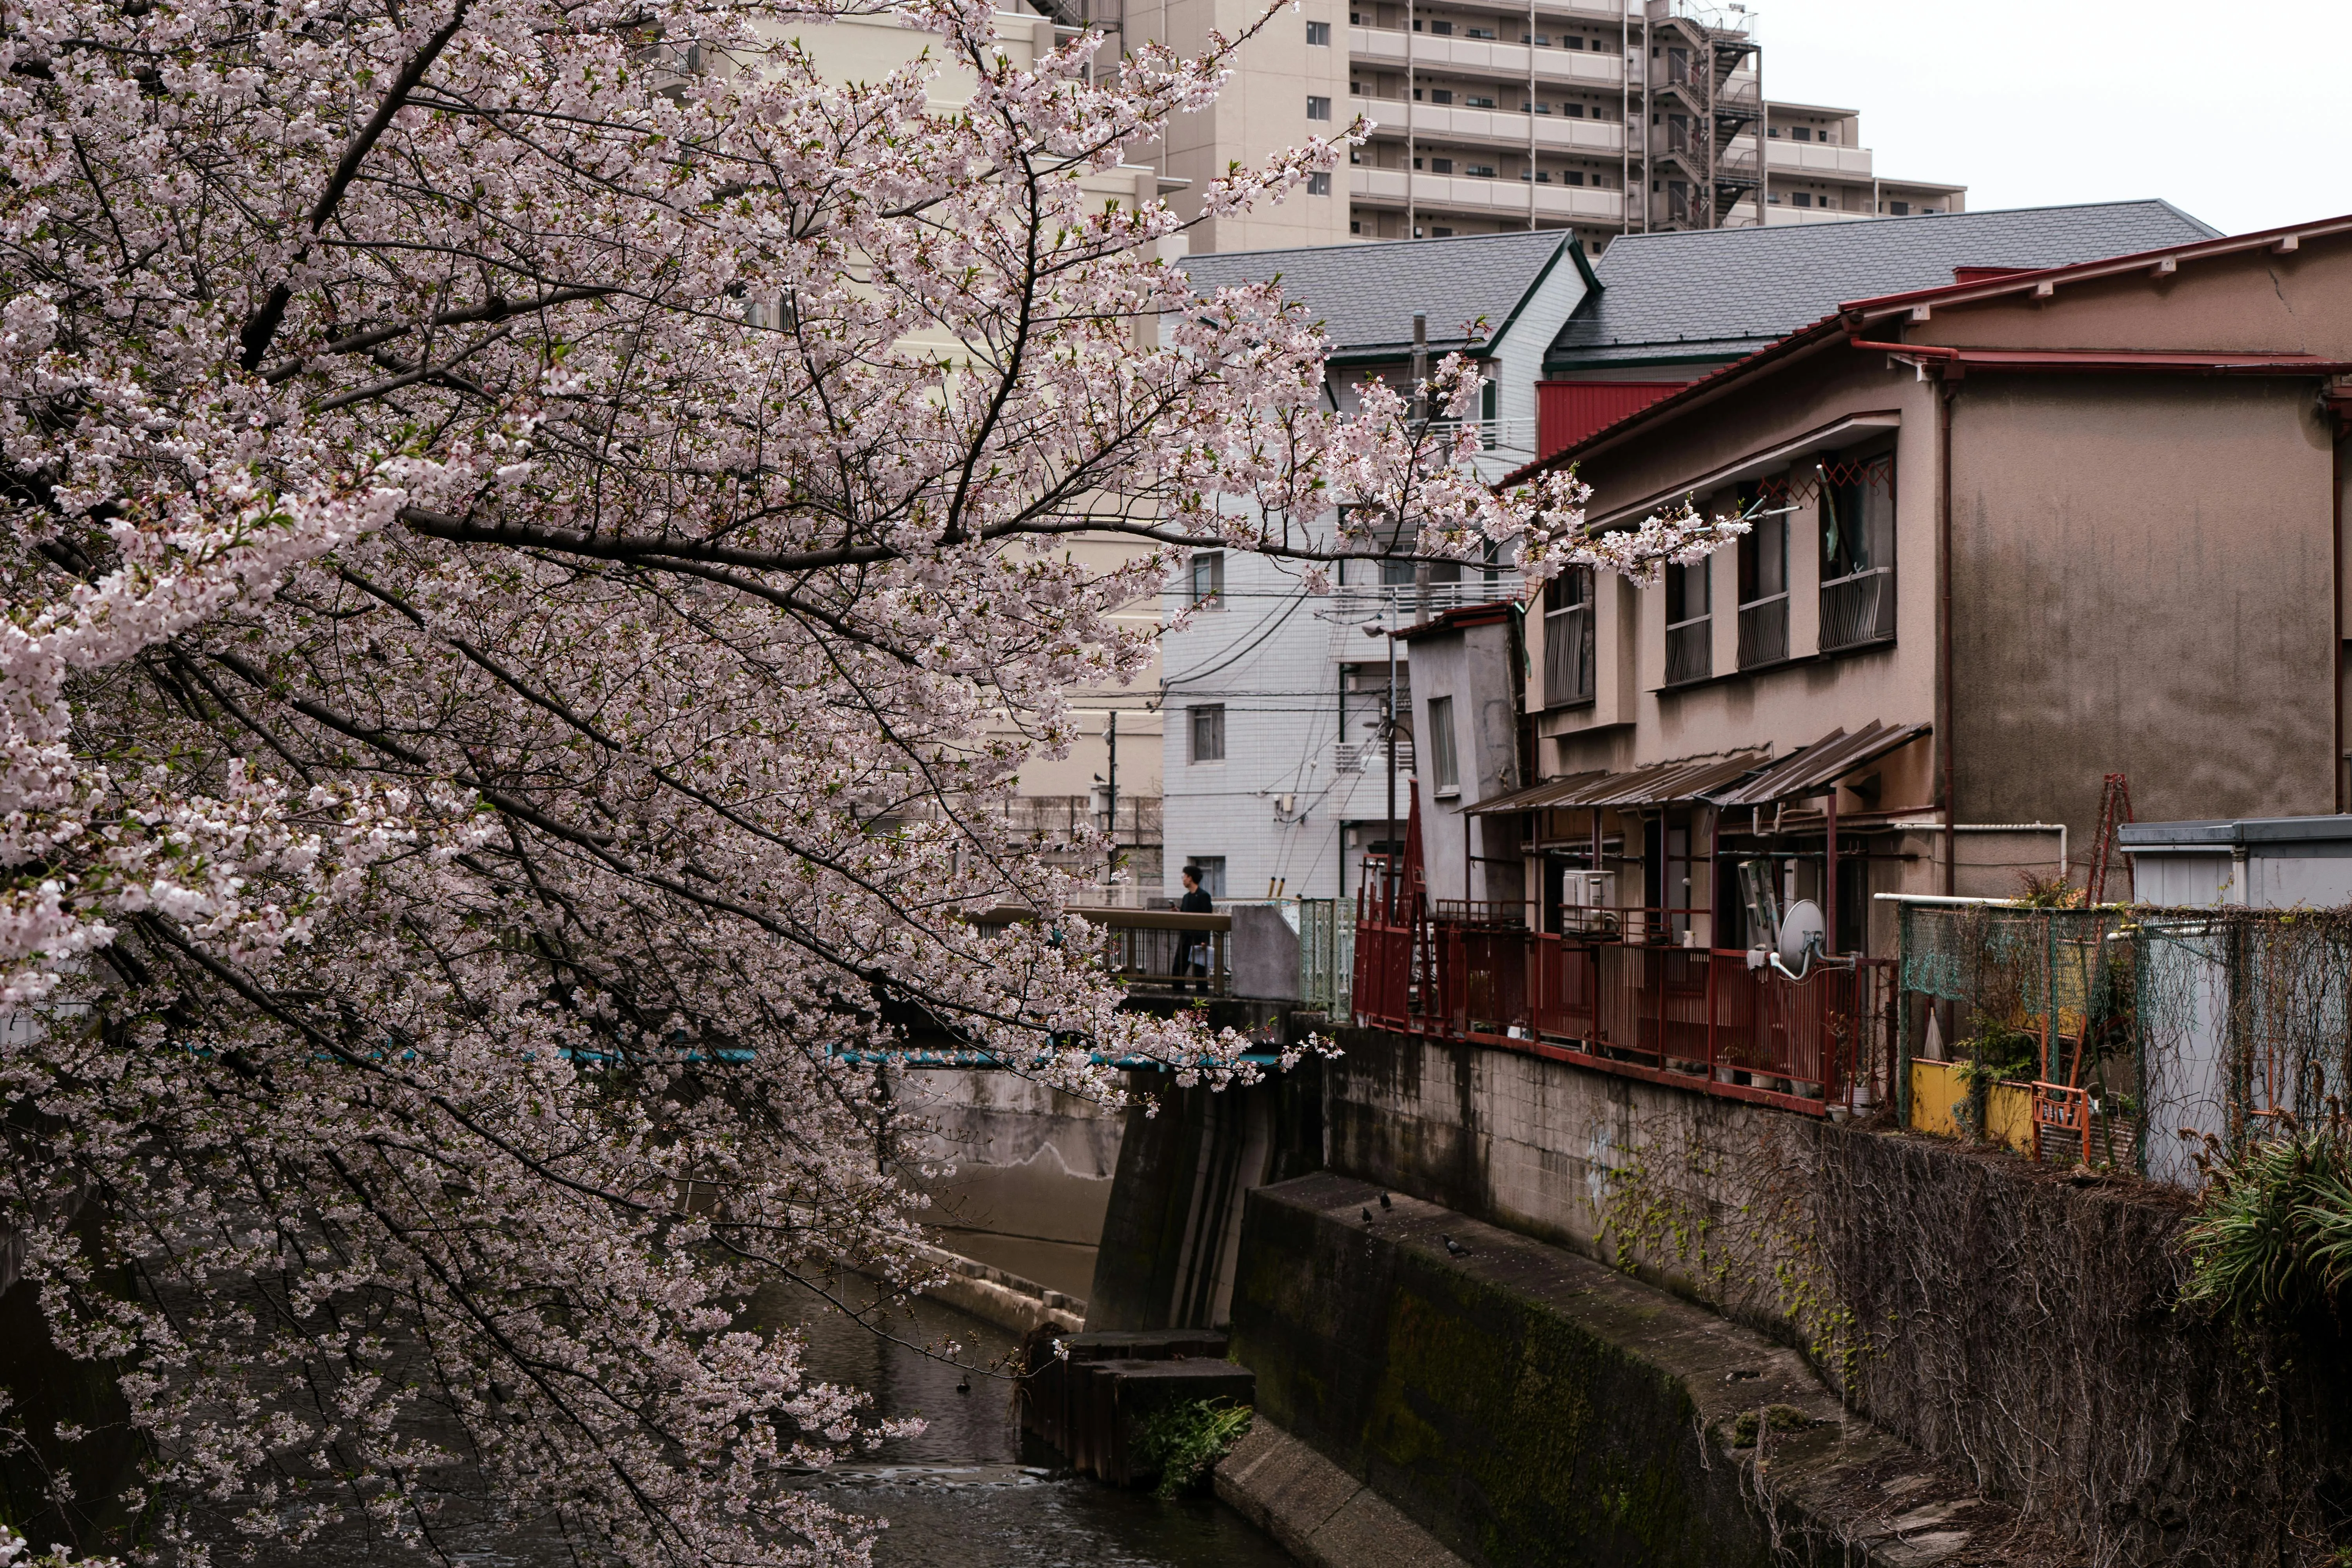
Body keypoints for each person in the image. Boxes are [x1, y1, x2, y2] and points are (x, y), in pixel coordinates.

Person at [1178, 864, 1213, 990]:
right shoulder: (1186, 897)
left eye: (1184, 877)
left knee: (1200, 974)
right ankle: (1179, 997)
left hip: (1199, 941)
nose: (1183, 880)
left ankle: (1202, 1000)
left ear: (1190, 878)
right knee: (1178, 972)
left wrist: (1205, 940)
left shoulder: (1204, 896)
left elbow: (1208, 920)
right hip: (1186, 939)